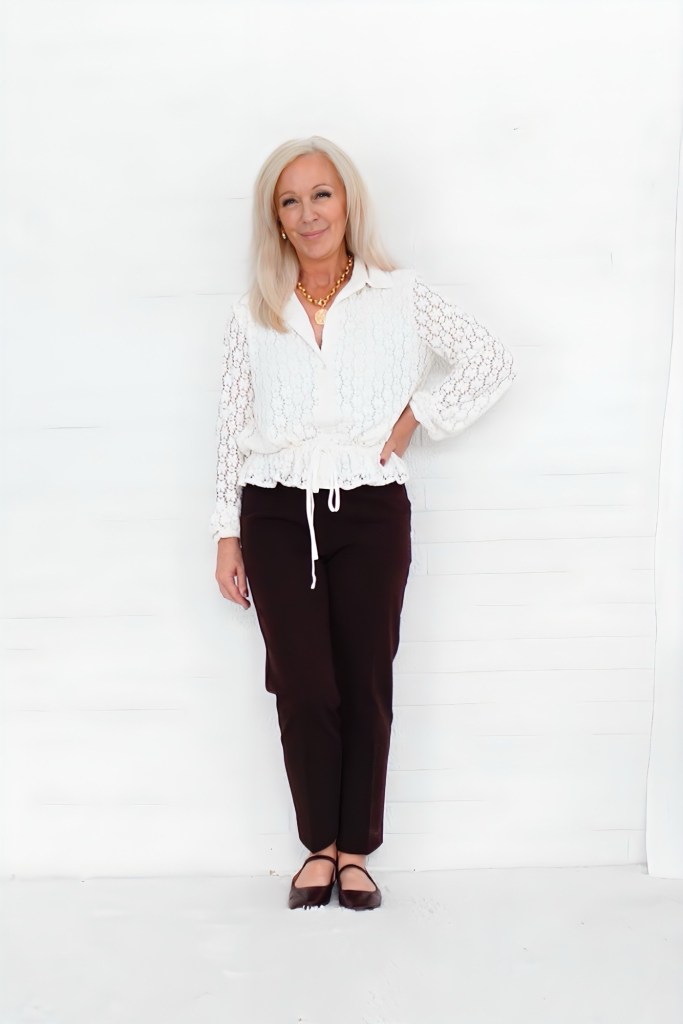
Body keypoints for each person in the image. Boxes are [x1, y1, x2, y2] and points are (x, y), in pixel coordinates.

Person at [210, 136, 517, 911]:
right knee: (302, 683)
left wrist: (416, 416)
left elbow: (489, 359)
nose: (308, 213)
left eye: (321, 195)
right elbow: (229, 421)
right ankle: (316, 843)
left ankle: (355, 851)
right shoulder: (253, 311)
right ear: (275, 221)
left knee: (364, 679)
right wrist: (225, 530)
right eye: (289, 201)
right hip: (276, 506)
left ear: (347, 203)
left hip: (369, 503)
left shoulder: (399, 294)